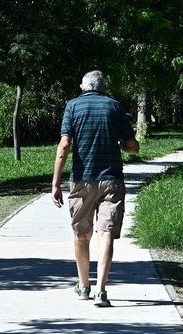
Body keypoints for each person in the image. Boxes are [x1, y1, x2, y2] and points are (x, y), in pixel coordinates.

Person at [51, 70, 139, 307]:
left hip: (81, 180)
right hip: (112, 179)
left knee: (81, 234)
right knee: (106, 232)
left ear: (83, 87)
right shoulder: (115, 106)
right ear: (103, 88)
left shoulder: (72, 107)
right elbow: (133, 147)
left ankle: (83, 286)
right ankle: (101, 290)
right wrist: (120, 144)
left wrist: (56, 182)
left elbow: (64, 145)